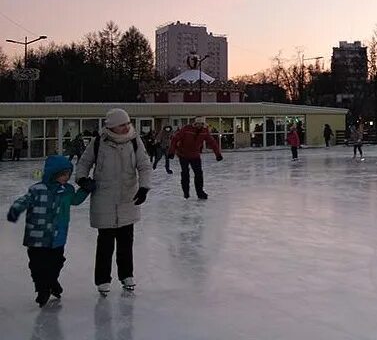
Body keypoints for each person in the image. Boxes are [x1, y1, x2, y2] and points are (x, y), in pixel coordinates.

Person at [76, 108, 152, 296]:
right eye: (122, 125)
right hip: (104, 197)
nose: (126, 127)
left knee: (126, 241)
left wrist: (144, 187)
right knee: (105, 243)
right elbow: (84, 163)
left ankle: (127, 275)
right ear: (111, 127)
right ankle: (102, 279)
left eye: (127, 123)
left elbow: (144, 165)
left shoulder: (134, 141)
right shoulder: (98, 142)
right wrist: (82, 178)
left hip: (128, 197)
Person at [7, 155, 95, 307]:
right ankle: (42, 290)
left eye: (68, 174)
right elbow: (24, 200)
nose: (65, 178)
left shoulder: (67, 190)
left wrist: (85, 190)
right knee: (37, 265)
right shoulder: (38, 189)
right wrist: (15, 210)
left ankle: (52, 281)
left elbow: (75, 201)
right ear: (52, 174)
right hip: (37, 235)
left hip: (58, 235)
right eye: (62, 174)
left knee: (56, 262)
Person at [169, 117, 223, 200]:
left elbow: (212, 142)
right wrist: (171, 152)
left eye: (201, 124)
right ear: (195, 123)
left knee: (198, 174)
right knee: (185, 173)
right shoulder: (186, 129)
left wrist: (218, 154)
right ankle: (186, 192)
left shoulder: (204, 131)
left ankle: (200, 192)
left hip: (195, 155)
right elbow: (175, 139)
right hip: (183, 154)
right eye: (198, 124)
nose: (199, 126)